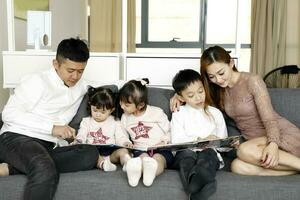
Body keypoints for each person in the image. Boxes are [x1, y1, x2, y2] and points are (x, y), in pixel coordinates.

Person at [171, 45, 300, 176]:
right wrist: (178, 95)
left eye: (221, 73)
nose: (218, 80)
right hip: (255, 145)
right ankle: (295, 170)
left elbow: (269, 118)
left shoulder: (252, 81)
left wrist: (273, 144)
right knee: (237, 167)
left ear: (231, 63)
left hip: (278, 135)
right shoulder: (217, 89)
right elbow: (194, 90)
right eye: (212, 76)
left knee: (244, 150)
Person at [0, 38, 100, 200]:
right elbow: (9, 114)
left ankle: (13, 168)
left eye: (80, 71)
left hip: (47, 147)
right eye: (70, 70)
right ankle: (32, 164)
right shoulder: (36, 81)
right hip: (16, 139)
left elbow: (111, 86)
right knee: (44, 168)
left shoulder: (82, 86)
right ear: (56, 64)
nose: (75, 76)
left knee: (89, 154)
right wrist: (52, 128)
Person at [171, 69, 227, 200]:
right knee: (186, 156)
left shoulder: (215, 113)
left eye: (200, 91)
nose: (198, 97)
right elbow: (176, 140)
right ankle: (199, 183)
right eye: (190, 95)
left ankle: (197, 184)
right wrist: (200, 140)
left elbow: (223, 142)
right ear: (180, 97)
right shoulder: (179, 113)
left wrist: (220, 142)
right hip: (186, 151)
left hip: (209, 153)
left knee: (208, 154)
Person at [118, 79, 174, 187]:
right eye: (120, 102)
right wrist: (125, 142)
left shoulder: (156, 112)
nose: (121, 106)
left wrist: (165, 140)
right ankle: (135, 173)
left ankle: (150, 174)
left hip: (161, 148)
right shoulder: (125, 117)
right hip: (140, 149)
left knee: (158, 159)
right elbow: (122, 134)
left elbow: (170, 129)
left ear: (140, 105)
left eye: (126, 104)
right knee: (142, 158)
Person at [73, 86, 132, 172]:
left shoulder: (115, 122)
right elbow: (81, 135)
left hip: (110, 154)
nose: (98, 115)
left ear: (111, 110)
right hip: (93, 154)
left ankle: (129, 165)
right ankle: (103, 165)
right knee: (85, 153)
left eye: (103, 112)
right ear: (90, 105)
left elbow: (120, 137)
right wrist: (78, 141)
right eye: (95, 110)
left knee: (123, 151)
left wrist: (125, 143)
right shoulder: (86, 121)